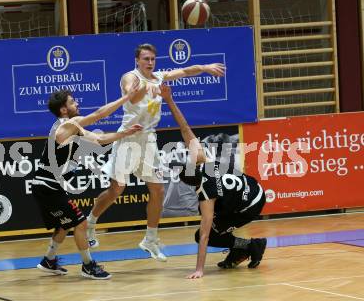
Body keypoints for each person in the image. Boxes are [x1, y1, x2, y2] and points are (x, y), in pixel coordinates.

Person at [86, 43, 226, 261]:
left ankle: (150, 239)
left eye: (152, 59)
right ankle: (90, 224)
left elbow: (186, 71)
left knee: (158, 190)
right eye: (145, 59)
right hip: (128, 138)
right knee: (116, 190)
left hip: (148, 140)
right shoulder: (130, 77)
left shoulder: (159, 77)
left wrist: (206, 67)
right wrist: (146, 87)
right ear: (137, 61)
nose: (150, 63)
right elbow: (130, 96)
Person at [32, 87, 142, 280]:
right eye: (73, 102)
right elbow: (99, 114)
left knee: (64, 224)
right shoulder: (66, 124)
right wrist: (126, 98)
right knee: (81, 223)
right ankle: (88, 265)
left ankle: (48, 261)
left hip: (48, 185)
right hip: (47, 185)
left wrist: (124, 133)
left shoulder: (75, 128)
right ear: (64, 109)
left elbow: (100, 140)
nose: (77, 104)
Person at [159, 84, 267, 278]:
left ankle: (251, 246)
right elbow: (184, 128)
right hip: (253, 186)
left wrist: (199, 269)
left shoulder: (206, 194)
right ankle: (240, 250)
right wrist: (168, 100)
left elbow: (204, 235)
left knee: (207, 232)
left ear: (189, 184)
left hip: (251, 203)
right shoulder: (202, 160)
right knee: (217, 221)